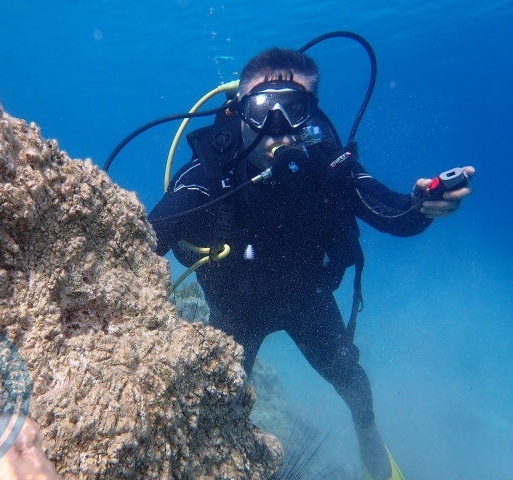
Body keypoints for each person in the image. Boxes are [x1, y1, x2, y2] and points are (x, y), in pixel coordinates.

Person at [148, 47, 474, 480]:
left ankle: (370, 440)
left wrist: (423, 205)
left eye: (294, 109)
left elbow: (395, 215)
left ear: (312, 114)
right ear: (239, 111)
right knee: (217, 403)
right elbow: (142, 243)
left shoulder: (328, 165)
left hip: (308, 301)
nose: (277, 126)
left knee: (351, 381)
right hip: (234, 311)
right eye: (262, 109)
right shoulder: (209, 174)